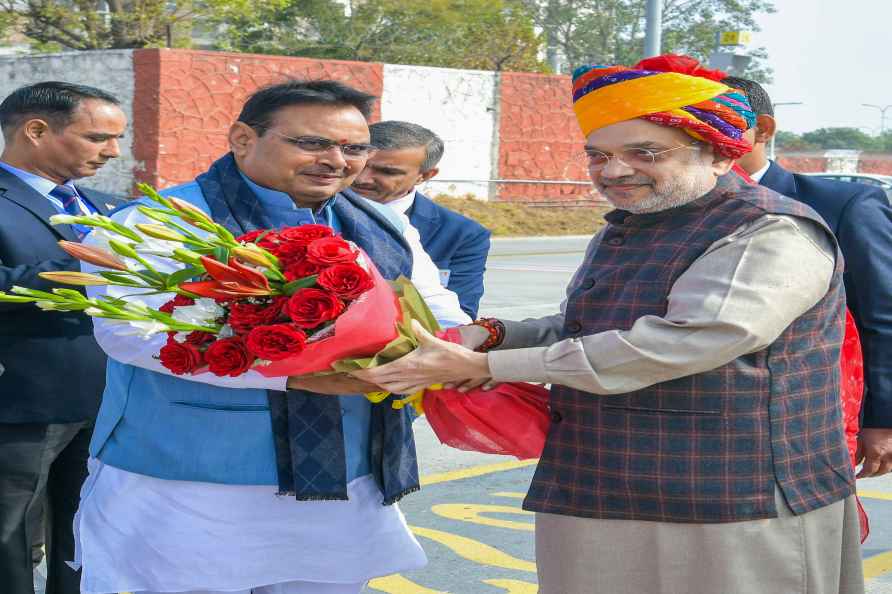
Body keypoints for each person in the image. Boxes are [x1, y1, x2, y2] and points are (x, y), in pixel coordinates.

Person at [356, 60, 864, 593]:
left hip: (735, 492)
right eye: (599, 155)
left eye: (644, 153)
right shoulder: (634, 223)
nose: (614, 171)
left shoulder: (770, 230)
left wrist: (487, 365)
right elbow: (589, 325)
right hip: (601, 477)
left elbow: (684, 341)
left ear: (717, 152)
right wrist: (492, 335)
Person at [73, 80, 468, 594]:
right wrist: (296, 375)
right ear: (242, 138)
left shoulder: (380, 221)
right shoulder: (162, 222)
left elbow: (432, 302)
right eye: (311, 143)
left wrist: (448, 351)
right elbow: (128, 332)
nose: (336, 161)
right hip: (191, 477)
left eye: (353, 148)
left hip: (346, 474)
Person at [725, 75, 892, 479]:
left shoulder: (841, 205)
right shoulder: (662, 214)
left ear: (762, 129)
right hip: (707, 422)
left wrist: (883, 418)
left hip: (812, 419)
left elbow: (882, 317)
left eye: (718, 122)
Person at [0, 81, 126, 594]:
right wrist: (86, 270)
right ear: (35, 130)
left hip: (107, 399)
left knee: (87, 532)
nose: (113, 151)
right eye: (98, 137)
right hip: (21, 402)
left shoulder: (109, 206)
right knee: (8, 538)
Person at [350, 120, 491, 318]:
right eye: (360, 164)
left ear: (424, 176)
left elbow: (458, 317)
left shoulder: (462, 235)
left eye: (387, 172)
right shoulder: (307, 205)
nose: (362, 179)